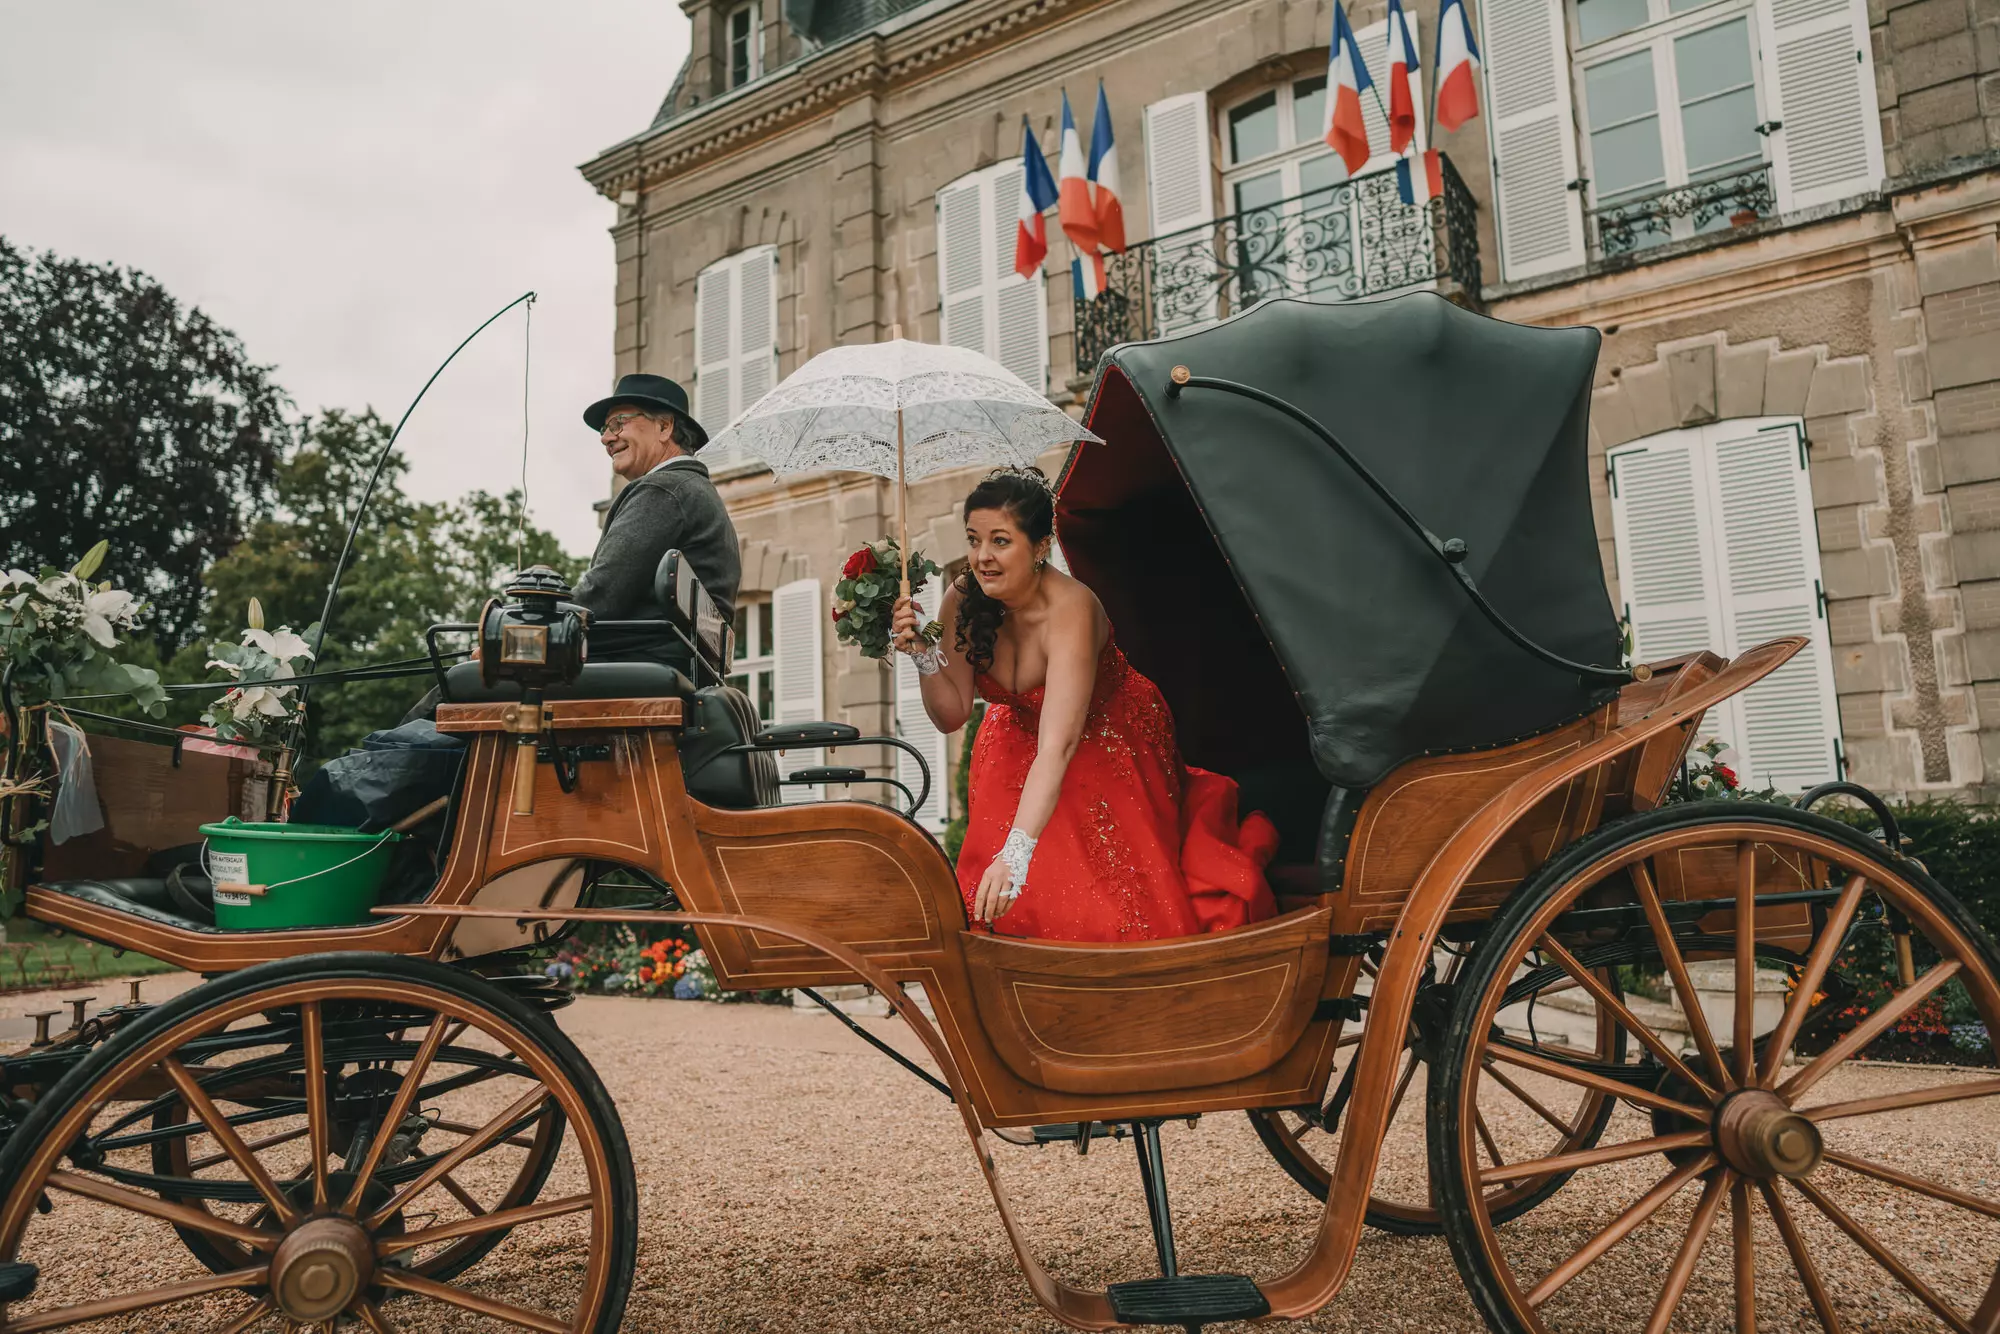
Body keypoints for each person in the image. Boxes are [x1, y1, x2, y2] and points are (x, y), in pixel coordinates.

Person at [891, 467, 1278, 943]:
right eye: (974, 540)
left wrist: (1017, 854)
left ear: (1040, 546)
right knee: (1002, 903)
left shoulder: (1073, 608)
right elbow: (950, 716)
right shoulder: (963, 597)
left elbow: (1058, 746)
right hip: (1014, 740)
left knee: (1102, 901)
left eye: (1000, 541)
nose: (982, 557)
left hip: (1106, 733)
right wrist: (924, 659)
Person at [576, 373, 741, 663]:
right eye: (604, 429)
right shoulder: (693, 491)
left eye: (618, 423)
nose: (605, 438)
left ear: (664, 426)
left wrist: (524, 627)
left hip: (637, 664)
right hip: (675, 665)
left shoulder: (664, 489)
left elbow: (601, 594)